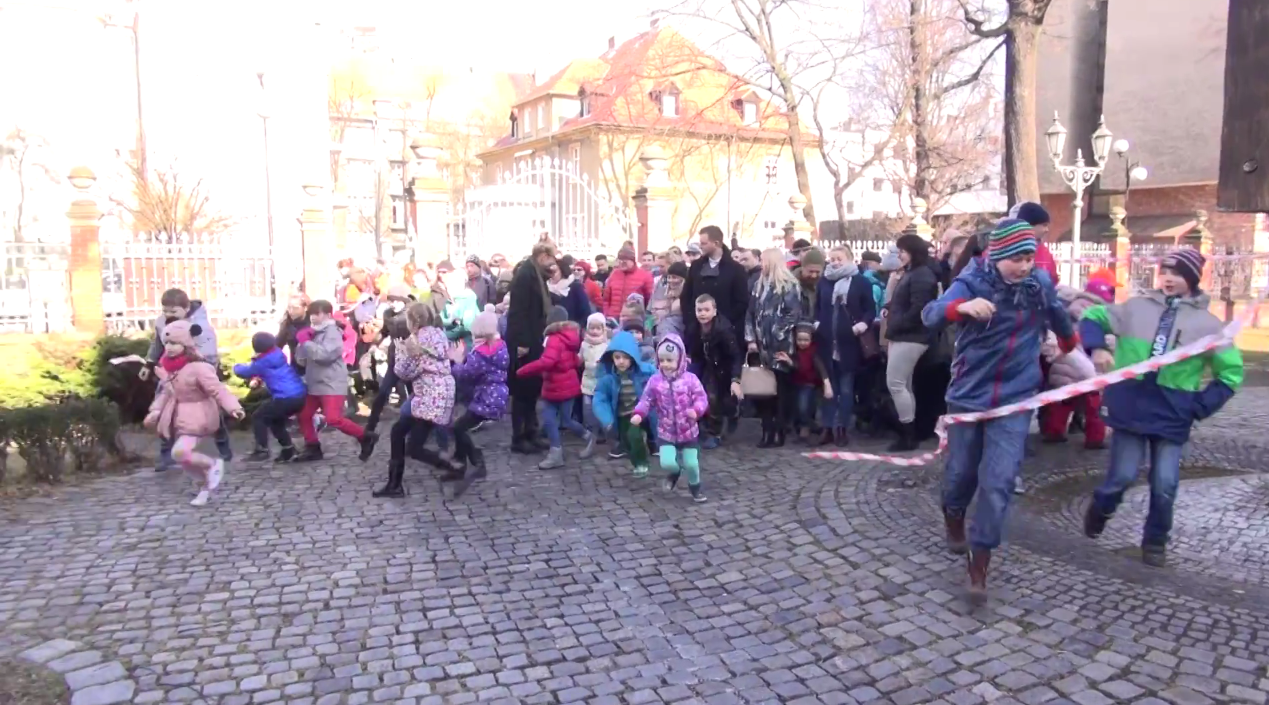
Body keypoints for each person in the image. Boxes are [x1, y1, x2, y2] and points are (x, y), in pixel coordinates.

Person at [921, 218, 1077, 596]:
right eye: (1016, 259)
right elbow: (931, 315)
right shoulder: (972, 280)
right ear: (996, 254)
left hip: (1015, 398)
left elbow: (1057, 314)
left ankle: (980, 561)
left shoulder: (1037, 284)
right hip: (968, 397)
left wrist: (1068, 344)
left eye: (1029, 258)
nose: (1024, 266)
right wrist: (963, 307)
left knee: (999, 481)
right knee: (961, 474)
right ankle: (954, 513)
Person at [1080, 248, 1243, 568]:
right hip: (1131, 405)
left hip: (1173, 411)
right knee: (1122, 475)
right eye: (1164, 271)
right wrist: (1097, 346)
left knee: (1165, 483)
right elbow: (1092, 316)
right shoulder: (1136, 307)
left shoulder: (1209, 325)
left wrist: (1200, 405)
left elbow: (1232, 371)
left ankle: (1155, 539)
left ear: (1193, 279)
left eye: (1177, 273)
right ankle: (1102, 506)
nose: (1168, 278)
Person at [143, 320, 246, 506]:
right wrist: (156, 411)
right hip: (180, 417)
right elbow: (167, 392)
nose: (169, 347)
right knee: (185, 461)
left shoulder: (198, 368)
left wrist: (233, 407)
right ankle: (204, 488)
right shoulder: (170, 368)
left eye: (174, 343)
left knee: (180, 453)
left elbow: (217, 389)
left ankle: (213, 465)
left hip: (199, 416)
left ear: (186, 344)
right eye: (167, 343)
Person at [141, 288, 231, 470]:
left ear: (186, 308)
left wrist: (201, 374)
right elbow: (158, 343)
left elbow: (209, 353)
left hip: (196, 375)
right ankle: (167, 454)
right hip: (169, 372)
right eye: (165, 310)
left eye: (173, 311)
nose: (168, 315)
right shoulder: (161, 323)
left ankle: (222, 445)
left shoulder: (200, 327)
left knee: (210, 410)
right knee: (166, 411)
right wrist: (149, 364)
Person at [374, 303, 456, 498]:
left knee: (403, 437)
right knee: (409, 440)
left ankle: (396, 485)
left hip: (429, 396)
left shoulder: (416, 341)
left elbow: (403, 372)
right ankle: (450, 464)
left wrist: (402, 352)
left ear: (414, 321)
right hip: (440, 392)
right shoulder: (439, 334)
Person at [293, 300, 378, 463]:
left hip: (331, 382)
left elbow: (325, 356)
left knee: (333, 418)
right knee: (304, 415)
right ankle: (312, 447)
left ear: (325, 314)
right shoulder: (314, 332)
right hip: (315, 383)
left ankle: (365, 437)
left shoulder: (332, 332)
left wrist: (307, 343)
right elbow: (302, 360)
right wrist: (301, 345)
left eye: (316, 314)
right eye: (311, 314)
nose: (313, 318)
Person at [631, 334, 710, 502]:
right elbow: (646, 400)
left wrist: (696, 411)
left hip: (688, 432)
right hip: (666, 432)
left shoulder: (690, 380)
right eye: (662, 360)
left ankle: (695, 487)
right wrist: (639, 413)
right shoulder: (655, 381)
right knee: (666, 462)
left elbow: (701, 398)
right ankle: (674, 472)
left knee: (692, 464)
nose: (665, 364)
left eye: (670, 360)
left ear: (680, 359)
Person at [515, 306, 594, 468]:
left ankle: (557, 453)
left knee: (551, 420)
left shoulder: (553, 339)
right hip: (568, 384)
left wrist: (523, 371)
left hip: (556, 386)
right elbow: (574, 361)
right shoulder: (571, 337)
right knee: (566, 419)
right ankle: (588, 436)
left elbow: (547, 361)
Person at [1039, 279, 1113, 448]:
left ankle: (1054, 432)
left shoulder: (1061, 316)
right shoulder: (1096, 322)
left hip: (1063, 372)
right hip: (1088, 375)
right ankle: (1095, 439)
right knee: (1094, 409)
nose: (1084, 308)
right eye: (1083, 304)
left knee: (1061, 404)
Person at [814, 245, 876, 446]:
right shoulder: (824, 281)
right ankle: (828, 427)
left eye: (839, 258)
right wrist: (816, 323)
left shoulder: (861, 282)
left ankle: (842, 427)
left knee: (847, 389)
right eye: (831, 258)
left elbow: (870, 309)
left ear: (849, 259)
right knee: (828, 388)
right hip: (825, 341)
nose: (835, 262)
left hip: (849, 343)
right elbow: (817, 307)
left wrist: (862, 325)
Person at [884, 234, 941, 451]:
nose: (899, 254)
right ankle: (909, 432)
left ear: (913, 252)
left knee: (896, 383)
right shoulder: (913, 273)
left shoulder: (921, 275)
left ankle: (907, 434)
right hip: (905, 335)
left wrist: (897, 324)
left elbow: (919, 309)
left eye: (903, 251)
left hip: (911, 336)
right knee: (903, 385)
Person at [745, 248, 803, 447]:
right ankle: (766, 430)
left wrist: (777, 332)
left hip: (781, 345)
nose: (762, 263)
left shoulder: (789, 285)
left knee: (780, 391)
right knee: (763, 391)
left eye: (764, 260)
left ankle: (780, 431)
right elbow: (750, 313)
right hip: (761, 346)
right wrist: (751, 338)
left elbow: (793, 314)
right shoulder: (758, 285)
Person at [446, 304, 509, 486]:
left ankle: (476, 462)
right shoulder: (499, 347)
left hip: (487, 398)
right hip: (496, 395)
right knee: (460, 427)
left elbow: (464, 374)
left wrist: (455, 360)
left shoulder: (481, 354)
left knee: (458, 428)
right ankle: (459, 464)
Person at [506, 244, 556, 454]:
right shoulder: (526, 276)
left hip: (535, 338)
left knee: (533, 388)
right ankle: (519, 437)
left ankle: (532, 431)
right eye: (551, 258)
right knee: (522, 391)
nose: (553, 263)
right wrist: (522, 343)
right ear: (542, 256)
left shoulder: (536, 274)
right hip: (524, 342)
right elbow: (518, 312)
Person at [233, 332, 307, 462]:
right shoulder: (277, 354)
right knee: (275, 420)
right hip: (298, 395)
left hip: (285, 397)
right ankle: (288, 450)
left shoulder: (262, 362)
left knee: (258, 416)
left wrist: (236, 366)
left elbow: (244, 372)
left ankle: (262, 450)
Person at [593, 331, 657, 475]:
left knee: (636, 436)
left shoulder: (646, 372)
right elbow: (600, 398)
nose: (621, 361)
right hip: (622, 415)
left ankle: (642, 464)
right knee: (628, 443)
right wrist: (606, 418)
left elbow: (659, 384)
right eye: (617, 357)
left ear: (633, 357)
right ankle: (637, 461)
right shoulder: (608, 377)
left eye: (626, 358)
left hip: (641, 412)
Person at [685, 294, 743, 450]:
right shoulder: (694, 328)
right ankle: (712, 432)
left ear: (714, 311)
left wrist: (735, 379)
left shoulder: (723, 330)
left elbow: (735, 355)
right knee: (709, 397)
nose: (702, 313)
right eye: (699, 310)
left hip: (725, 367)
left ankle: (732, 413)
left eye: (706, 310)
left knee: (726, 400)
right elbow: (692, 348)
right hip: (707, 366)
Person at [681, 226, 750, 351]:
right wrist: (690, 320)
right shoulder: (696, 266)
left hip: (725, 334)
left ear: (716, 243)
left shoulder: (736, 269)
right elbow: (686, 295)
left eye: (704, 243)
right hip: (697, 332)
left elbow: (741, 301)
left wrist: (723, 322)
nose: (700, 246)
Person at [365, 284, 414, 434]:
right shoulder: (388, 314)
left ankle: (418, 428)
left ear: (404, 301)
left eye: (397, 301)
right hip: (394, 357)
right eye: (391, 301)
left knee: (415, 394)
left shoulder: (412, 314)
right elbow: (384, 332)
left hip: (412, 358)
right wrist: (375, 344)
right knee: (382, 392)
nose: (393, 304)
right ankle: (370, 427)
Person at [790, 322, 831, 441]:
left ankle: (811, 427)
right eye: (800, 340)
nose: (802, 343)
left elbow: (820, 368)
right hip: (797, 382)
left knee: (804, 407)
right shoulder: (794, 352)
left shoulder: (813, 353)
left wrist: (826, 383)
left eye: (805, 340)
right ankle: (805, 427)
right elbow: (796, 367)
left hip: (809, 383)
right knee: (798, 408)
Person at [579, 312, 610, 443]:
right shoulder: (584, 344)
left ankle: (603, 431)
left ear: (603, 329)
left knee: (600, 407)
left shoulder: (606, 345)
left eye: (598, 328)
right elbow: (580, 358)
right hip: (587, 380)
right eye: (592, 328)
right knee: (587, 408)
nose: (595, 331)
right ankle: (591, 430)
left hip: (600, 381)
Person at [1011, 202, 1059, 283]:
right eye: (1044, 225)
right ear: (1030, 225)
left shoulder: (1044, 250)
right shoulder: (1007, 247)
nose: (1047, 230)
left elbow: (1053, 278)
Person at [602, 247, 654, 320]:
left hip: (634, 319)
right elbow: (606, 299)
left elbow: (649, 300)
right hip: (613, 318)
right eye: (620, 261)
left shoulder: (645, 276)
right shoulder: (614, 274)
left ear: (632, 261)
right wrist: (606, 314)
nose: (622, 264)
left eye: (625, 262)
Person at [548, 255, 593, 325]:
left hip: (572, 331)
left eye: (554, 272)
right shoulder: (545, 288)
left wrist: (576, 328)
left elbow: (586, 313)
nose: (551, 275)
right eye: (549, 272)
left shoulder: (575, 287)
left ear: (562, 272)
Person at [649, 260, 688, 337]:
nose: (670, 280)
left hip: (678, 336)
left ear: (683, 279)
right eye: (669, 277)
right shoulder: (664, 293)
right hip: (660, 334)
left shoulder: (687, 297)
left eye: (674, 277)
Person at [276, 294, 311, 372]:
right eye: (289, 307)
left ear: (305, 308)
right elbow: (277, 344)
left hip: (314, 370)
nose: (291, 311)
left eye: (295, 308)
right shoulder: (286, 324)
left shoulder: (314, 323)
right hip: (296, 368)